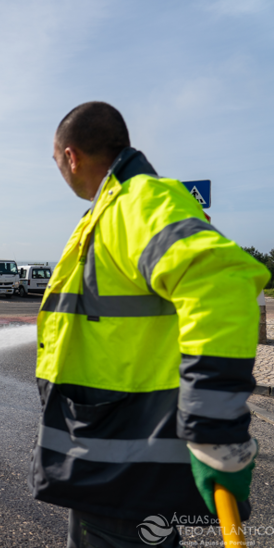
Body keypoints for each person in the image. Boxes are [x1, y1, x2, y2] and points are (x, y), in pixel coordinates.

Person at [29, 101, 270, 547]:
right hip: (113, 461)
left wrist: (215, 433)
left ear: (71, 157)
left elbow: (221, 283)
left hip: (127, 468)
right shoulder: (114, 210)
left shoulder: (138, 201)